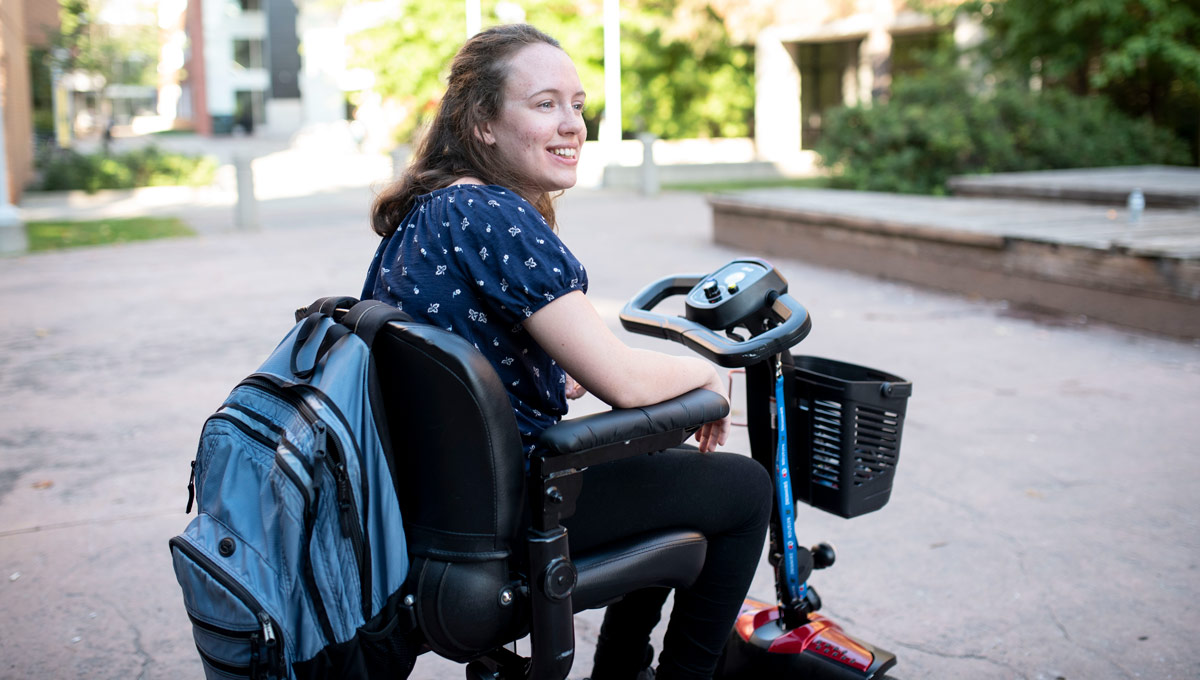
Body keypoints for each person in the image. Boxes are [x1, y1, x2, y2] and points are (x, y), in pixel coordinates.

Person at [361, 24, 771, 680]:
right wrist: (708, 373)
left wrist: (540, 372)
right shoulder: (497, 216)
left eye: (577, 105)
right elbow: (624, 380)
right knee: (745, 490)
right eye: (545, 104)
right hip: (517, 512)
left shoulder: (425, 215)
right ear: (482, 123)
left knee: (664, 469)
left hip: (442, 515)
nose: (572, 124)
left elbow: (467, 353)